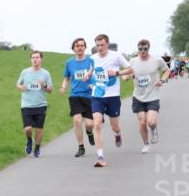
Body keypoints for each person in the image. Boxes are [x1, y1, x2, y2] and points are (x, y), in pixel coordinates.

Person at [89, 34, 131, 168]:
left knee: (115, 126)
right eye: (98, 45)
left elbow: (131, 69)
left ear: (107, 44)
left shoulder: (116, 56)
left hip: (113, 96)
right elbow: (90, 72)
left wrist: (118, 73)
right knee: (97, 124)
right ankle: (100, 157)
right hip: (97, 96)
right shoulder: (92, 58)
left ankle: (117, 134)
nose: (100, 48)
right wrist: (88, 78)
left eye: (102, 45)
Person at [126, 39, 170, 153]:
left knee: (151, 122)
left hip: (153, 96)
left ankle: (154, 129)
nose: (143, 51)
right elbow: (130, 72)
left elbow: (167, 71)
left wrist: (162, 80)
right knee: (142, 122)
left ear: (148, 48)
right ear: (138, 49)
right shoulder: (133, 61)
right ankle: (146, 144)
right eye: (140, 49)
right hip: (138, 96)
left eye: (145, 49)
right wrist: (126, 76)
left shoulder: (157, 60)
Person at [60, 37, 96, 157]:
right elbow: (66, 78)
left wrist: (94, 84)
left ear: (85, 47)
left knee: (89, 124)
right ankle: (81, 147)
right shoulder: (69, 63)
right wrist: (64, 87)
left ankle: (89, 133)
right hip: (75, 95)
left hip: (90, 95)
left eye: (82, 45)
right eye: (77, 46)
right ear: (73, 49)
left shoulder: (91, 60)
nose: (80, 48)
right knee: (77, 120)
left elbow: (97, 73)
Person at [16, 51, 53, 157]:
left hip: (41, 104)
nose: (35, 59)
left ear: (41, 59)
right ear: (30, 60)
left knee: (39, 129)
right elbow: (18, 84)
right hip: (26, 104)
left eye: (37, 57)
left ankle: (37, 148)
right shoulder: (25, 72)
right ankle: (29, 140)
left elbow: (50, 90)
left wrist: (44, 85)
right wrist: (22, 87)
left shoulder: (46, 73)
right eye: (33, 58)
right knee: (28, 128)